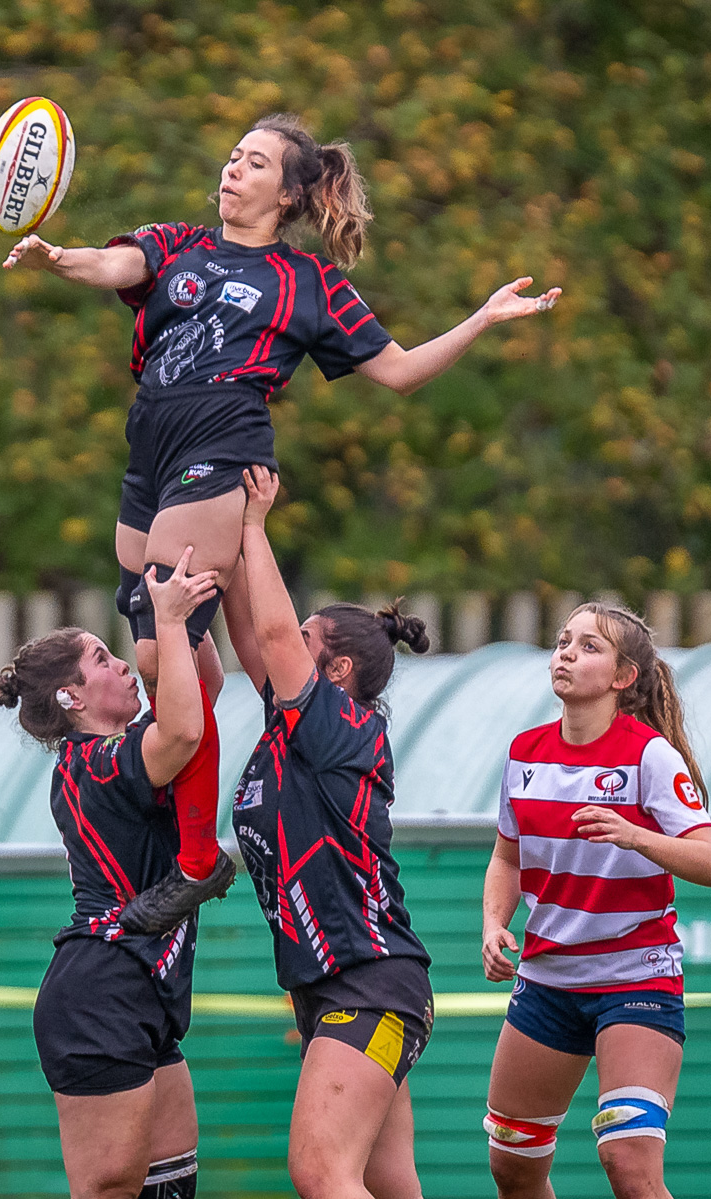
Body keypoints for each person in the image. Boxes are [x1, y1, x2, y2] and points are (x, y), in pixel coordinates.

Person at [0, 112, 558, 691]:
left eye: (255, 163)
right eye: (234, 157)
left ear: (289, 195)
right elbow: (114, 262)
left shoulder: (309, 282)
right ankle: (190, 772)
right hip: (148, 453)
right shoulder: (176, 243)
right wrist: (58, 258)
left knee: (156, 659)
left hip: (219, 449)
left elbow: (399, 371)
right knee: (181, 668)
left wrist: (482, 319)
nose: (234, 169)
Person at [0, 548, 221, 1199]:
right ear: (72, 695)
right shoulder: (92, 763)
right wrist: (164, 625)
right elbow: (181, 733)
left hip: (146, 998)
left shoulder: (124, 750)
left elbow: (201, 696)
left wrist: (200, 605)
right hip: (99, 996)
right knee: (109, 1186)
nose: (123, 664)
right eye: (104, 660)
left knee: (170, 1187)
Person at [224, 465, 433, 1199]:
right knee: (387, 1183)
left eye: (309, 639)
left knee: (320, 1173)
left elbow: (275, 630)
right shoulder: (293, 726)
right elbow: (254, 632)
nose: (289, 641)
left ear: (336, 667)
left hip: (369, 984)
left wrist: (254, 525)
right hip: (331, 985)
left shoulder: (340, 724)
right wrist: (213, 537)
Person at [481, 601, 711, 1199]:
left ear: (624, 678)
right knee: (513, 1166)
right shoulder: (524, 753)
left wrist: (635, 834)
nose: (566, 652)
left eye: (589, 646)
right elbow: (506, 858)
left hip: (636, 979)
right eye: (563, 640)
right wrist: (493, 925)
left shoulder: (649, 756)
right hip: (547, 983)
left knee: (628, 1164)